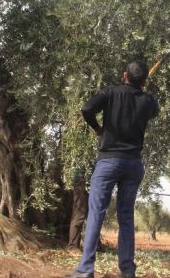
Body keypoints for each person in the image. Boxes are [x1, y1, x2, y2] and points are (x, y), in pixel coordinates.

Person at [69, 61, 159, 278]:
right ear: (144, 80)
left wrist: (98, 128)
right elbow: (154, 110)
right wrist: (142, 92)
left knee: (96, 214)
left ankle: (85, 270)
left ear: (124, 74)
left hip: (108, 162)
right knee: (126, 217)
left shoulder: (111, 92)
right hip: (133, 164)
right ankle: (127, 271)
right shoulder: (148, 101)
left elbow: (87, 108)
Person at [67, 169, 89, 253]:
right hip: (81, 180)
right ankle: (72, 246)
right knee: (79, 214)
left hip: (88, 181)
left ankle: (88, 245)